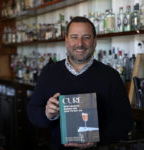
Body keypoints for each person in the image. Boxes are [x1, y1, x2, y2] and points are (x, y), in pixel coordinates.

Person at [27, 16, 133, 150]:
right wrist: (47, 115)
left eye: (86, 37)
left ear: (94, 41)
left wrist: (97, 140)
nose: (80, 43)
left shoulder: (111, 76)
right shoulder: (49, 73)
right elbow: (32, 112)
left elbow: (125, 122)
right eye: (74, 37)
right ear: (66, 40)